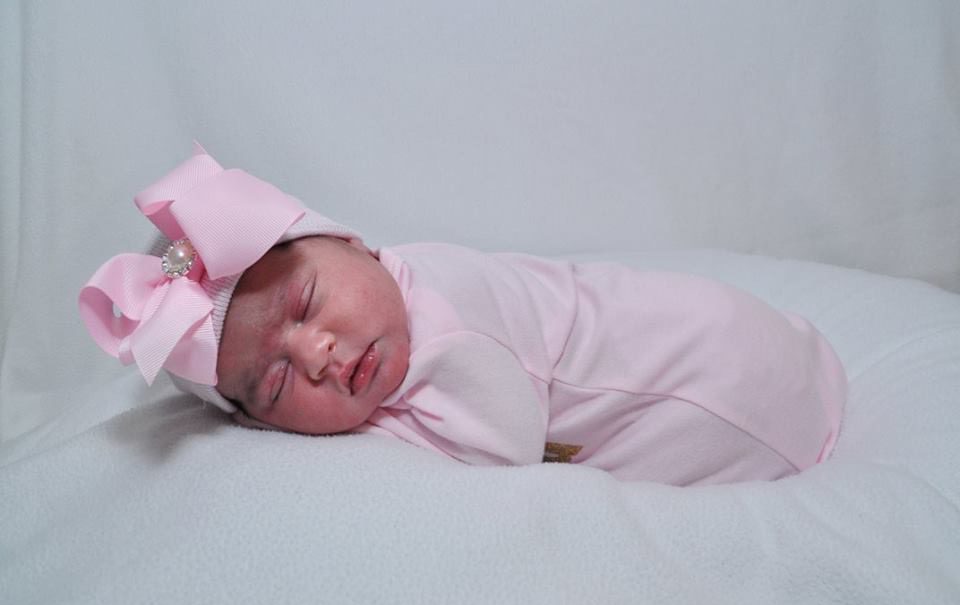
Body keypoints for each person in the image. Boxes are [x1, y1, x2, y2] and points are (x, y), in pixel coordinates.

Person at [79, 145, 846, 486]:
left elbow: (497, 470)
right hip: (742, 334)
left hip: (737, 393)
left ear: (354, 243)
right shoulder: (401, 284)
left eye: (306, 305)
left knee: (683, 431)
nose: (316, 353)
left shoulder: (452, 336)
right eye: (277, 383)